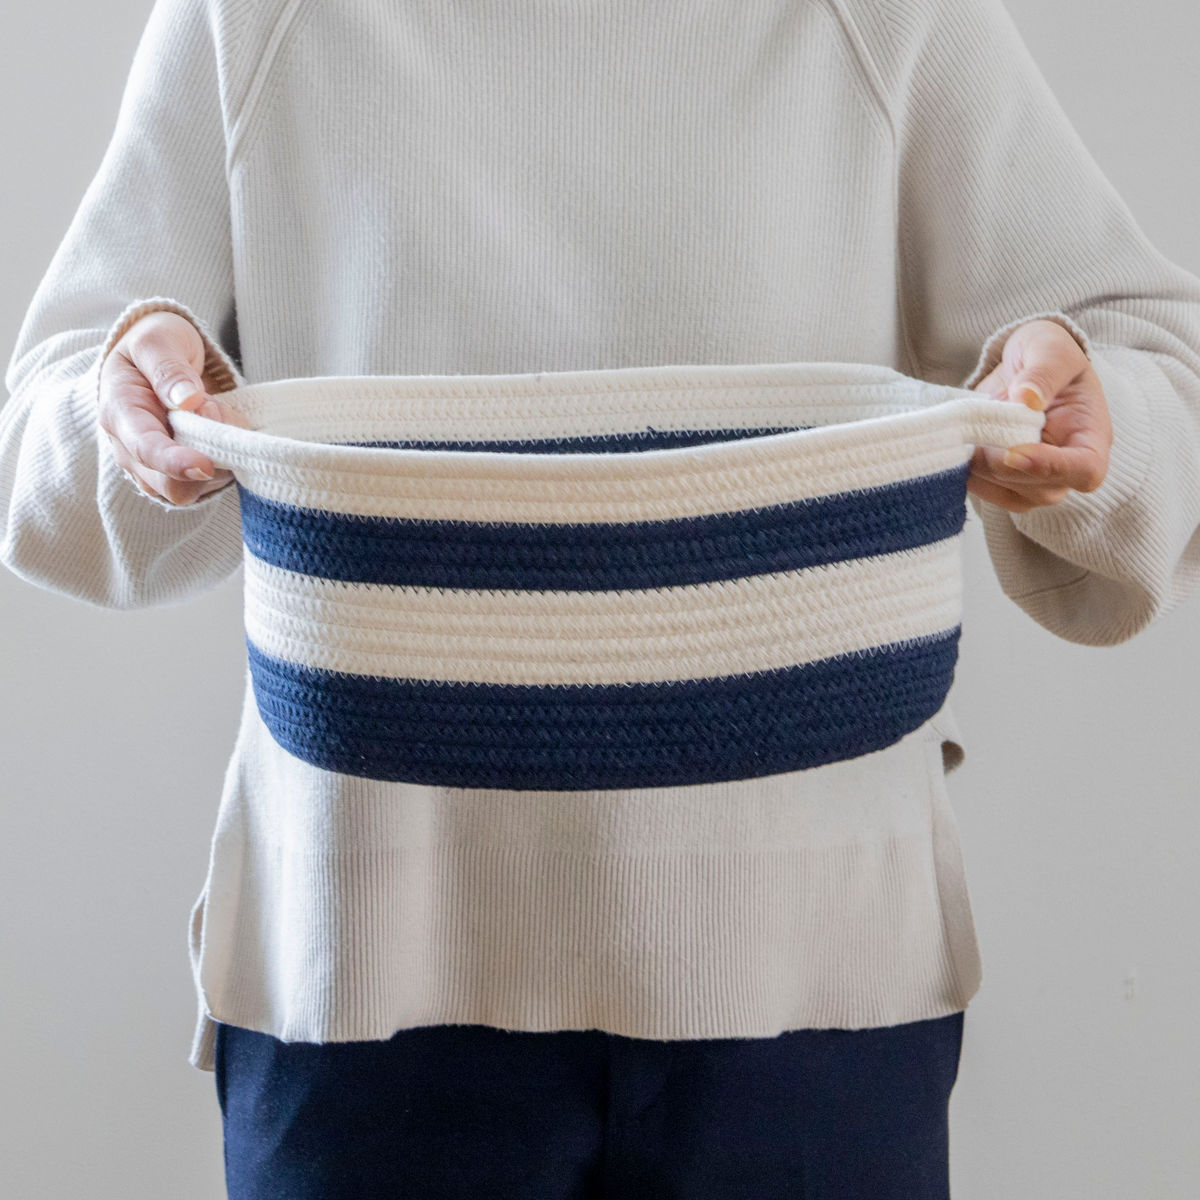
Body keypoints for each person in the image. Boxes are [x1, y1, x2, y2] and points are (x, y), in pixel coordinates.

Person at [3, 0, 1199, 1196]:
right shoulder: (250, 20)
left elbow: (1159, 364)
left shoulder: (883, 17)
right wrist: (130, 400)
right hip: (364, 974)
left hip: (813, 983)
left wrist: (1088, 413)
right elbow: (39, 440)